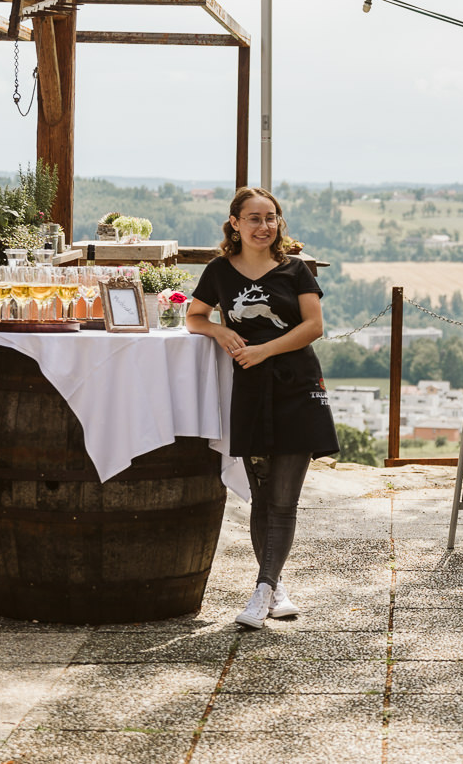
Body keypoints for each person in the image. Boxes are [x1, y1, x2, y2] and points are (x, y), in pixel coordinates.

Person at [186, 187, 338, 629]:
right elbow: (194, 316)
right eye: (253, 218)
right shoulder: (219, 271)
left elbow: (314, 326)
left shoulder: (296, 270)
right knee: (262, 497)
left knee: (284, 500)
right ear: (235, 223)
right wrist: (219, 332)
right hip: (250, 390)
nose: (263, 226)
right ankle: (275, 587)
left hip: (296, 386)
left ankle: (261, 590)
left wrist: (265, 350)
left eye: (270, 217)